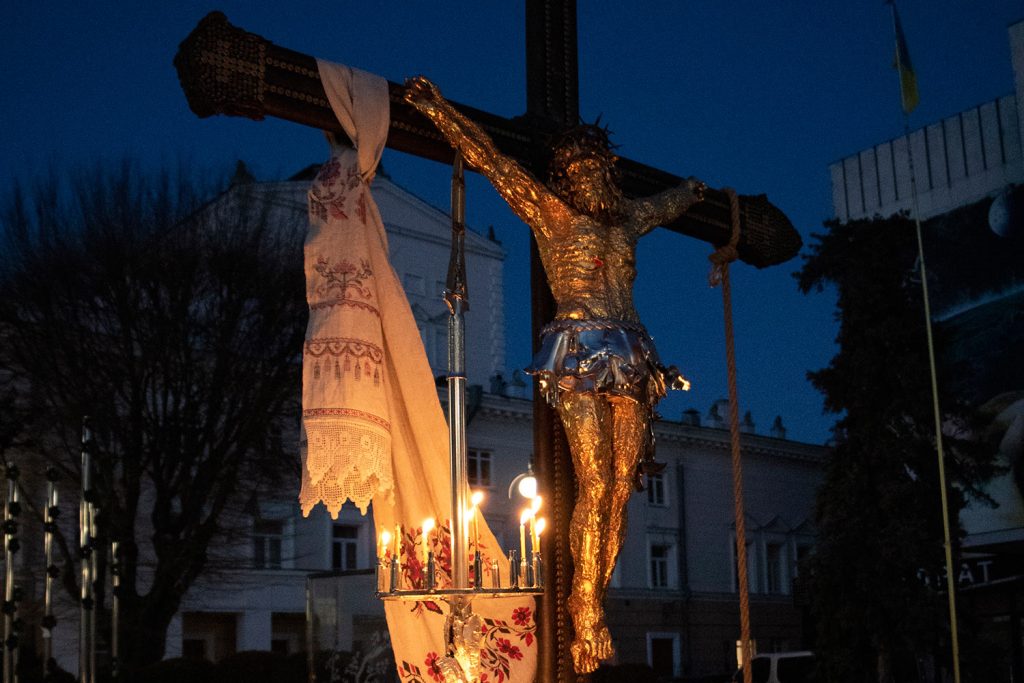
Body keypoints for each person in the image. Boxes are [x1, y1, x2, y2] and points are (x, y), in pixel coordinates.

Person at [405, 75, 705, 674]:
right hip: (577, 350)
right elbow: (493, 161)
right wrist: (439, 110)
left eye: (595, 168)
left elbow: (669, 203)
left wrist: (698, 194)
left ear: (608, 172)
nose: (588, 178)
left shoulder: (627, 219)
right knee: (594, 480)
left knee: (621, 486)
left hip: (633, 355)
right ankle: (585, 612)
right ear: (565, 177)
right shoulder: (552, 212)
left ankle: (596, 596)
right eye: (576, 170)